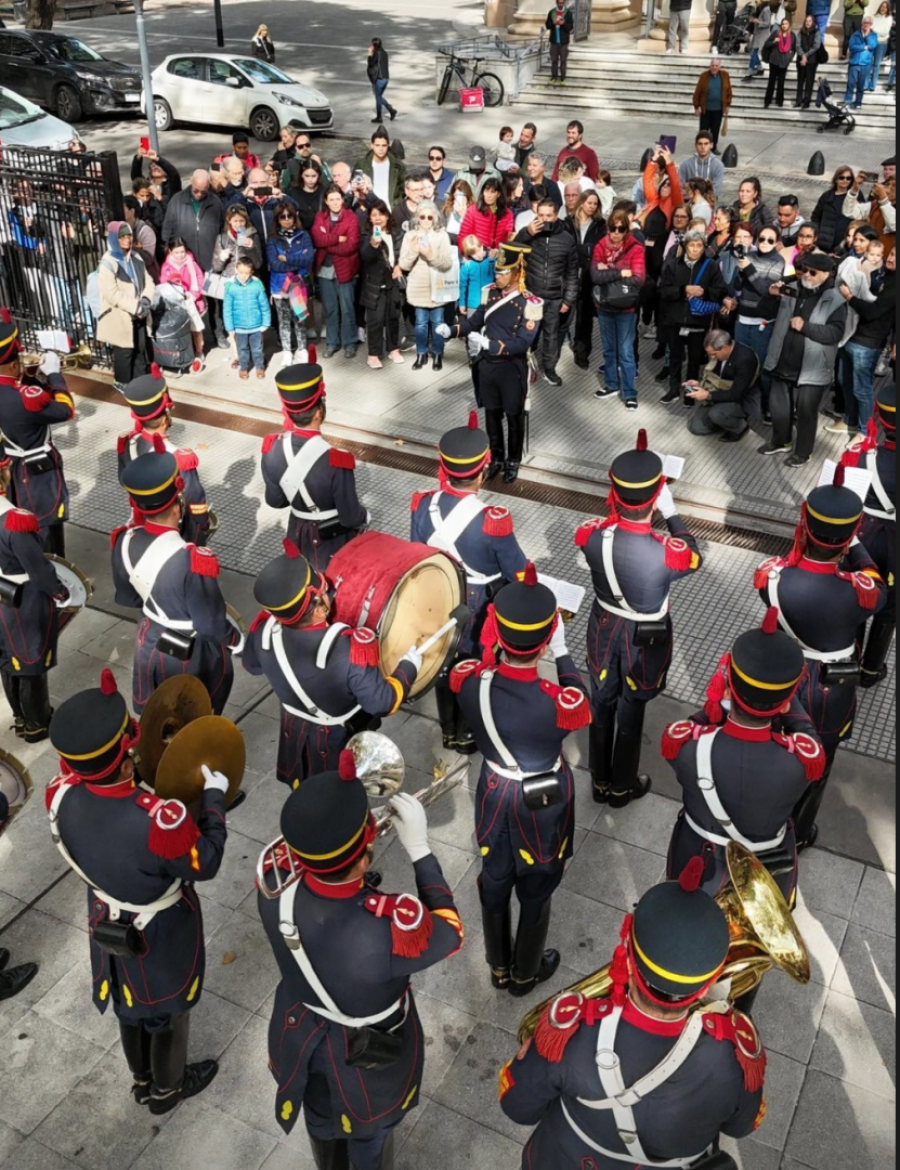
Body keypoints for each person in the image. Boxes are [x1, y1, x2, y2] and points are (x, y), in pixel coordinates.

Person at [256, 755, 463, 1170]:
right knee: (369, 1134)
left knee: (319, 1118)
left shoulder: (271, 888)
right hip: (368, 1052)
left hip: (301, 1034)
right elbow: (450, 932)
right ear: (364, 856)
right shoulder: (387, 928)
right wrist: (420, 850)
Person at [500, 864, 766, 1168]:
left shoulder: (571, 1033)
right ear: (708, 983)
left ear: (626, 956)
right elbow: (742, 1126)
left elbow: (517, 1107)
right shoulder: (735, 1054)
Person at [47, 670, 228, 1114]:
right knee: (167, 1012)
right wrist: (215, 801)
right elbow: (205, 863)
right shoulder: (156, 819)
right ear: (126, 761)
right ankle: (167, 1090)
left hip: (105, 917)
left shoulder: (60, 797)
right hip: (160, 930)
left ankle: (141, 1078)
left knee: (129, 1007)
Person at [452, 566, 590, 995]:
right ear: (546, 639)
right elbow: (584, 706)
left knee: (494, 876)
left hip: (494, 791)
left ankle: (498, 965)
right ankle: (525, 971)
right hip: (541, 802)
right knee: (537, 885)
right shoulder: (556, 703)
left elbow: (476, 671)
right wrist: (563, 655)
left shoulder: (470, 683)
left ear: (497, 631)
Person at [755, 465, 887, 848]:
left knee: (778, 743)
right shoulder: (858, 591)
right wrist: (855, 545)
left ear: (806, 526)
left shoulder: (772, 578)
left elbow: (787, 565)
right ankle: (800, 830)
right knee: (821, 758)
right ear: (849, 535)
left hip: (786, 675)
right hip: (834, 685)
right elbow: (877, 590)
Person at [576, 431, 702, 805]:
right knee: (631, 709)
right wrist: (672, 512)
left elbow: (604, 535)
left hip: (603, 628)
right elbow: (694, 554)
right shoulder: (667, 553)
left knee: (602, 702)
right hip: (643, 638)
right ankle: (621, 786)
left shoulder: (591, 537)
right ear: (654, 496)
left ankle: (599, 781)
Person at [664, 610, 825, 903]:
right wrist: (789, 700)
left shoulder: (687, 746)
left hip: (697, 857)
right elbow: (807, 733)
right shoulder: (799, 761)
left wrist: (718, 704)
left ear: (730, 685)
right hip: (765, 865)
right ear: (785, 698)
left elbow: (696, 725)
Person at [242, 545, 421, 787]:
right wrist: (408, 667)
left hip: (294, 729)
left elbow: (252, 665)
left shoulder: (263, 631)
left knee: (304, 786)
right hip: (336, 740)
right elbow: (381, 702)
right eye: (326, 592)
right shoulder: (346, 648)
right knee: (340, 799)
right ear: (318, 611)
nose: (331, 594)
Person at [409, 414, 528, 752]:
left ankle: (448, 729)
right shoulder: (493, 521)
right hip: (477, 601)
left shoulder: (421, 503)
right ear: (481, 472)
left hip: (437, 592)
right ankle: (466, 732)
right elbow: (517, 572)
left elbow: (417, 553)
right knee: (472, 664)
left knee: (443, 660)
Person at [111, 451, 242, 714]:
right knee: (194, 717)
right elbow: (210, 625)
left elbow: (129, 597)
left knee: (157, 717)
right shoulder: (193, 560)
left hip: (148, 640)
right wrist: (238, 642)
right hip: (189, 654)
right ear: (177, 506)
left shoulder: (123, 541)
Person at [437, 243, 543, 483]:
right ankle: (497, 457)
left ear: (517, 273)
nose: (497, 275)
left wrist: (490, 345)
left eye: (503, 272)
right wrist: (452, 330)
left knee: (514, 417)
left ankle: (513, 460)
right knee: (492, 415)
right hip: (487, 367)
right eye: (497, 271)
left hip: (510, 369)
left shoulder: (531, 303)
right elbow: (474, 322)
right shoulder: (491, 292)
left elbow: (524, 342)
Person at [260, 360, 367, 568]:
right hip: (332, 543)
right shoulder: (337, 460)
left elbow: (276, 501)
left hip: (296, 535)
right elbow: (351, 518)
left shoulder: (271, 449)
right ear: (319, 412)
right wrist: (365, 514)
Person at [0, 438, 68, 743]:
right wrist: (61, 592)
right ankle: (37, 723)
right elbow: (39, 571)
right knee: (31, 664)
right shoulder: (15, 522)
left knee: (7, 660)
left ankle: (19, 715)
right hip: (23, 601)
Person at [761, 252, 847, 467]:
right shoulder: (791, 288)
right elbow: (764, 311)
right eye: (803, 269)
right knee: (779, 408)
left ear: (826, 274)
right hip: (782, 360)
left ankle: (803, 452)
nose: (805, 275)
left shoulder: (835, 299)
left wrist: (806, 327)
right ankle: (781, 441)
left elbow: (835, 333)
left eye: (812, 272)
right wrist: (770, 295)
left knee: (806, 413)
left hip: (812, 368)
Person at [0, 317, 75, 555]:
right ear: (13, 364)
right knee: (47, 531)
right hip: (38, 475)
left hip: (12, 470)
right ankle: (58, 583)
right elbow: (65, 410)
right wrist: (54, 375)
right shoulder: (24, 397)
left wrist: (29, 378)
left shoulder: (16, 391)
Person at [117, 368, 212, 547]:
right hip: (171, 533)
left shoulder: (127, 443)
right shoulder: (180, 459)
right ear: (165, 415)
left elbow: (125, 481)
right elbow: (196, 506)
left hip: (140, 527)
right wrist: (199, 537)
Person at [842, 383, 896, 688]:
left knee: (860, 596)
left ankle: (851, 660)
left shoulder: (861, 455)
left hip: (865, 535)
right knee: (890, 609)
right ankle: (872, 669)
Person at [658, 230, 727, 405]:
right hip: (675, 320)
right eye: (691, 245)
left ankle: (690, 392)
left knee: (694, 359)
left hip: (697, 322)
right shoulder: (673, 265)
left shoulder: (711, 266)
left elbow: (721, 291)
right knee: (675, 356)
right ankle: (673, 389)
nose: (695, 249)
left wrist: (704, 292)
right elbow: (663, 291)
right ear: (685, 246)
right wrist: (684, 290)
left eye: (699, 246)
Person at [515, 198, 578, 386]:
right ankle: (523, 365)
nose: (544, 219)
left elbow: (572, 273)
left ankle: (549, 369)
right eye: (540, 215)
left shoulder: (567, 239)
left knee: (551, 336)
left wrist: (568, 300)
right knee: (527, 333)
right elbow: (513, 250)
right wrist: (526, 233)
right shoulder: (531, 233)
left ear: (557, 215)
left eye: (548, 216)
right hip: (532, 295)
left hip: (555, 297)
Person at [837, 244, 896, 436]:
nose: (891, 259)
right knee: (843, 380)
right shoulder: (879, 271)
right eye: (893, 253)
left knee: (862, 389)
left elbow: (872, 312)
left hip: (869, 341)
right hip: (850, 334)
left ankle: (865, 433)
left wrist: (849, 297)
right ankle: (850, 421)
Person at [162, 170, 225, 348]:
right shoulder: (177, 201)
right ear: (191, 183)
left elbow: (221, 230)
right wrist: (168, 255)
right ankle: (190, 339)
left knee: (214, 301)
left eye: (203, 191)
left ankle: (218, 333)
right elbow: (167, 230)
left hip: (209, 259)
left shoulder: (215, 202)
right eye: (196, 190)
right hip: (184, 262)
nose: (198, 194)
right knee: (186, 301)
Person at [591, 210, 646, 408]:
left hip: (626, 308)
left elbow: (639, 279)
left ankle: (630, 392)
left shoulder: (636, 249)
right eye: (612, 228)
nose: (615, 232)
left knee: (626, 351)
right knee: (608, 349)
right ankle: (612, 384)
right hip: (604, 305)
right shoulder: (599, 246)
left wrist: (608, 270)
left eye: (620, 228)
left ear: (626, 230)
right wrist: (621, 271)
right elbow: (595, 276)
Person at [97, 220, 155, 388]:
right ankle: (122, 383)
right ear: (115, 238)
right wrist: (134, 306)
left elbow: (148, 281)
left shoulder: (136, 256)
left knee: (140, 348)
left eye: (129, 235)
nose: (127, 240)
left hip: (139, 312)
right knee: (125, 351)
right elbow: (111, 293)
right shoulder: (108, 262)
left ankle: (140, 382)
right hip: (121, 315)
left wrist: (145, 300)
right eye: (122, 236)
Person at [399, 200, 453, 371]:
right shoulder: (410, 236)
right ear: (417, 217)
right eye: (422, 216)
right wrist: (415, 250)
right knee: (421, 323)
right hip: (418, 285)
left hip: (437, 286)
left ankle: (437, 353)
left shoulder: (442, 235)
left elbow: (447, 263)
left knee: (438, 323)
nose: (426, 220)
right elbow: (404, 265)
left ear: (435, 218)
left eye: (430, 217)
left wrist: (431, 255)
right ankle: (421, 353)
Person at [683, 329, 761, 439]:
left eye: (714, 354)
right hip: (719, 393)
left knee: (716, 414)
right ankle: (722, 419)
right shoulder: (720, 354)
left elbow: (737, 393)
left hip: (741, 399)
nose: (712, 357)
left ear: (724, 348)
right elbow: (715, 377)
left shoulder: (745, 359)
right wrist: (699, 384)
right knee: (697, 428)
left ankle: (740, 427)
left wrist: (708, 395)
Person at [313, 186, 361, 360]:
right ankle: (332, 343)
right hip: (325, 270)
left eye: (337, 199)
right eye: (331, 199)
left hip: (345, 269)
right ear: (326, 201)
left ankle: (350, 343)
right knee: (330, 309)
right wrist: (338, 238)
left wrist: (327, 243)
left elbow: (351, 245)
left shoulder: (351, 218)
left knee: (347, 308)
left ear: (342, 200)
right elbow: (317, 239)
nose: (334, 202)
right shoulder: (320, 216)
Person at [267, 200, 313, 367]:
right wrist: (298, 261)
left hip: (298, 285)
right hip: (279, 287)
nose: (286, 219)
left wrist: (287, 258)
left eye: (290, 216)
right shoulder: (272, 239)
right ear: (277, 219)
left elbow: (308, 260)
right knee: (284, 321)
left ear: (295, 217)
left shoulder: (304, 235)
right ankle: (287, 352)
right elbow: (274, 264)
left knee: (299, 319)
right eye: (282, 217)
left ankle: (302, 350)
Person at [360, 200, 405, 368]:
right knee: (375, 320)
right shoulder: (366, 235)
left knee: (393, 316)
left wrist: (400, 266)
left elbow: (403, 254)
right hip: (374, 283)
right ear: (370, 219)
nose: (378, 218)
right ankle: (373, 354)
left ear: (387, 215)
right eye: (374, 215)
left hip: (392, 281)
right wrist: (373, 244)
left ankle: (393, 349)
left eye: (381, 214)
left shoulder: (397, 233)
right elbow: (365, 257)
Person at [564, 189, 605, 369]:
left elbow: (599, 249)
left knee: (585, 318)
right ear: (581, 202)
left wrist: (585, 251)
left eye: (595, 203)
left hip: (589, 276)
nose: (592, 206)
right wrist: (584, 250)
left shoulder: (600, 224)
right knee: (564, 314)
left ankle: (582, 352)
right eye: (589, 202)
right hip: (570, 274)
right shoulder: (568, 223)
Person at [159, 238, 205, 371]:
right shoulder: (166, 267)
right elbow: (164, 285)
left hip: (193, 301)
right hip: (177, 304)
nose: (180, 255)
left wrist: (193, 295)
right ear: (170, 252)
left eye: (182, 252)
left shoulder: (192, 263)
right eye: (177, 252)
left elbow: (200, 281)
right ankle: (185, 353)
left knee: (196, 329)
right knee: (182, 332)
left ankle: (199, 351)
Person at [223, 257, 270, 379]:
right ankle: (243, 367)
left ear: (251, 272)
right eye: (241, 272)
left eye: (247, 273)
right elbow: (227, 310)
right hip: (239, 327)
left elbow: (264, 306)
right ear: (236, 270)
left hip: (256, 326)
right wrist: (230, 328)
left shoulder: (257, 285)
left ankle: (260, 367)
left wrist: (265, 323)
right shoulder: (230, 287)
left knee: (257, 349)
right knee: (242, 349)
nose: (244, 276)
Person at [459, 177, 515, 256]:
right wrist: (469, 254)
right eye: (486, 191)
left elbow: (507, 240)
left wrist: (499, 251)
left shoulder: (507, 214)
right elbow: (463, 236)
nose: (488, 195)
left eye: (492, 192)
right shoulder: (473, 210)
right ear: (482, 192)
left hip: (496, 259)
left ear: (498, 194)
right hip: (474, 256)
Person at [693, 54, 733, 150]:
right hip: (706, 109)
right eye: (713, 65)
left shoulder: (725, 75)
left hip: (718, 109)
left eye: (716, 66)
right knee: (704, 130)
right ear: (710, 66)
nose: (714, 67)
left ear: (719, 67)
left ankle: (713, 147)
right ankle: (701, 148)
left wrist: (728, 105)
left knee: (715, 130)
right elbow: (697, 92)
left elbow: (729, 92)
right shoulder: (704, 76)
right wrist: (696, 107)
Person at [459, 234, 497, 319]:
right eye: (473, 254)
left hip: (490, 303)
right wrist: (462, 303)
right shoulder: (466, 265)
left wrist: (493, 261)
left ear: (482, 245)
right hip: (473, 305)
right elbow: (462, 286)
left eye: (479, 250)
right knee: (471, 330)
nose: (478, 255)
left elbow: (498, 277)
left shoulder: (491, 260)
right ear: (468, 255)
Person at [764, 18, 798, 108]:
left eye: (786, 24)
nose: (784, 25)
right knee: (771, 81)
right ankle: (767, 100)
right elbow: (766, 44)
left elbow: (794, 49)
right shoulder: (776, 33)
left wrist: (789, 58)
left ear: (789, 25)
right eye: (782, 24)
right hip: (774, 60)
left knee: (781, 82)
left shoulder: (792, 35)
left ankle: (779, 101)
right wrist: (773, 41)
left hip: (784, 61)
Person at [846, 14, 879, 105]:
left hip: (865, 64)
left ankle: (858, 103)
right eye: (865, 23)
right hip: (854, 63)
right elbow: (852, 47)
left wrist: (867, 35)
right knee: (850, 84)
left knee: (861, 85)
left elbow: (872, 45)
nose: (866, 25)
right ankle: (847, 102)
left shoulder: (873, 35)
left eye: (868, 23)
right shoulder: (856, 34)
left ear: (871, 25)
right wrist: (864, 47)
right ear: (862, 23)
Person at [366, 36, 397, 122]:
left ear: (374, 45)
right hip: (386, 78)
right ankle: (391, 110)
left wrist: (369, 54)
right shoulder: (385, 53)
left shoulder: (377, 53)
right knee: (379, 97)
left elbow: (371, 63)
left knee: (378, 98)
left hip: (379, 78)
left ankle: (380, 116)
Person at [795, 14, 823, 107]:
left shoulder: (816, 32)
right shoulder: (801, 31)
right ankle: (798, 100)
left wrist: (805, 55)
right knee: (800, 80)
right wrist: (802, 55)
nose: (807, 23)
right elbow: (797, 44)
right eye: (806, 21)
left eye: (810, 21)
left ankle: (807, 100)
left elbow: (816, 45)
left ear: (813, 22)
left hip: (811, 61)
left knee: (809, 81)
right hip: (801, 60)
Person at [745, 0, 777, 78]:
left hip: (762, 35)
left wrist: (758, 22)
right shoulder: (759, 8)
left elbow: (767, 23)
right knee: (753, 52)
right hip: (757, 34)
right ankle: (759, 68)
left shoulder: (766, 9)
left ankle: (750, 72)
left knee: (753, 52)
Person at [546, 0, 574, 82]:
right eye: (559, 3)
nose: (561, 4)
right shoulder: (551, 12)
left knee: (563, 61)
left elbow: (570, 28)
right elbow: (547, 26)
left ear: (564, 3)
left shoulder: (568, 13)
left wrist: (564, 23)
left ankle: (563, 78)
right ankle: (554, 77)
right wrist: (553, 23)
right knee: (554, 60)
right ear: (557, 3)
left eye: (562, 3)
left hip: (564, 42)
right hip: (554, 41)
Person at [869, 0, 893, 87]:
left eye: (885, 7)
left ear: (887, 9)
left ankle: (873, 84)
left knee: (876, 64)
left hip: (882, 43)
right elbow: (869, 28)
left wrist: (874, 29)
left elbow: (885, 32)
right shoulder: (874, 16)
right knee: (869, 63)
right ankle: (866, 83)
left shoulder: (889, 18)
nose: (883, 8)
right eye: (882, 6)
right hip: (872, 42)